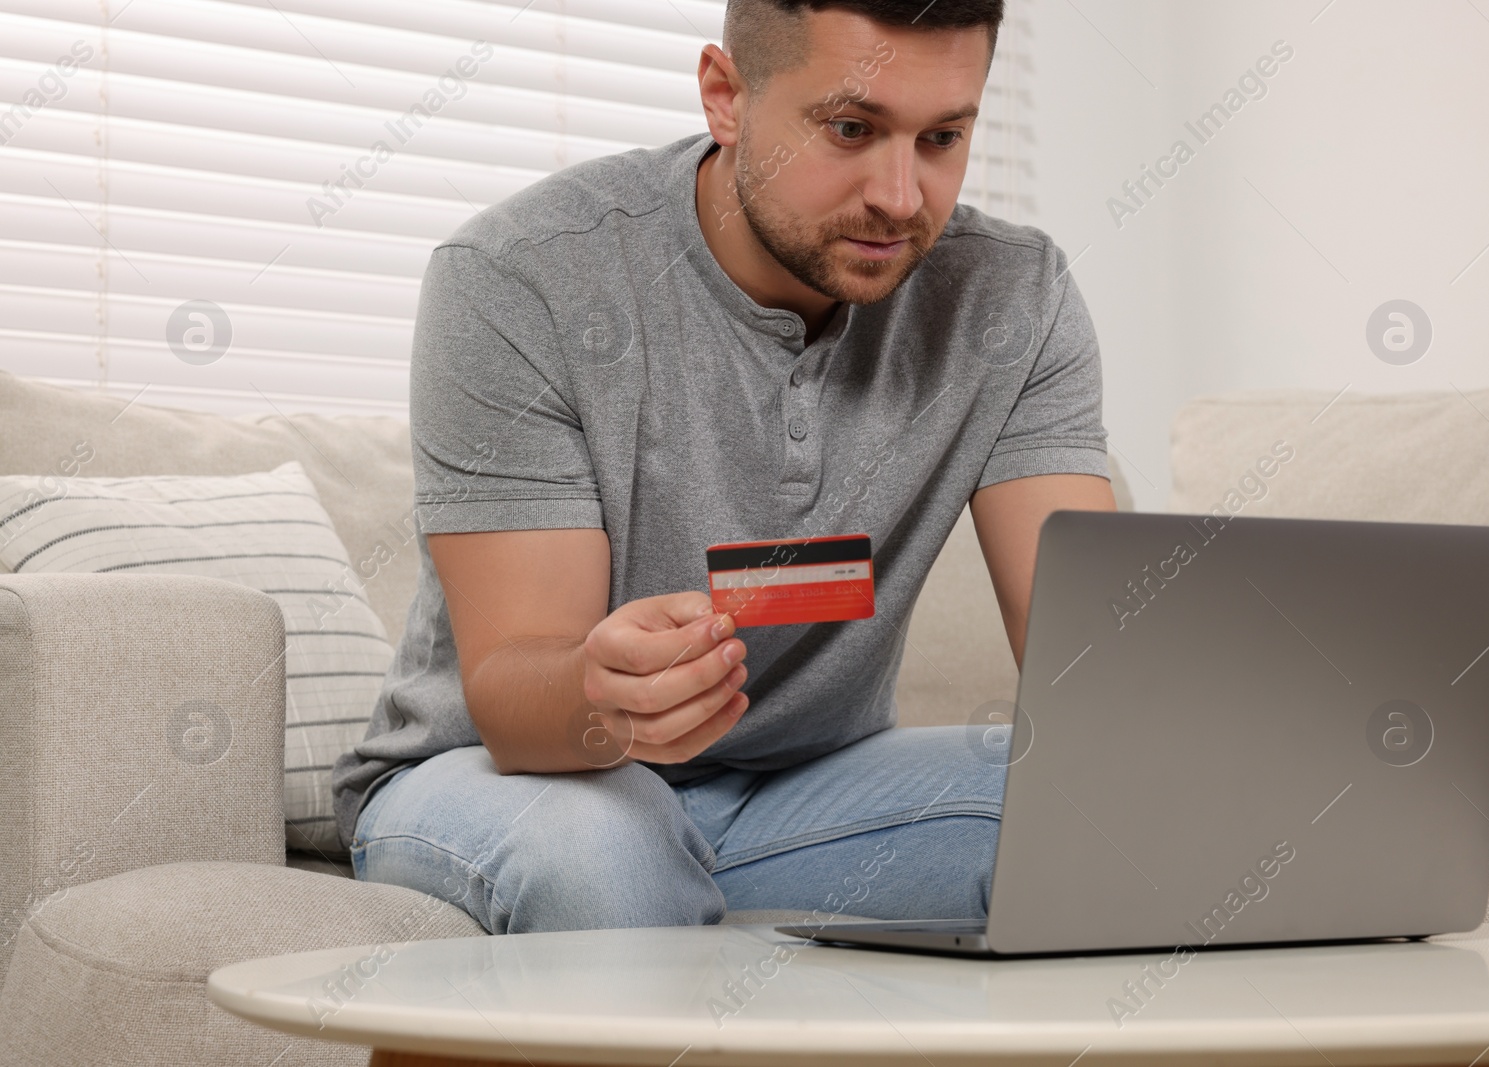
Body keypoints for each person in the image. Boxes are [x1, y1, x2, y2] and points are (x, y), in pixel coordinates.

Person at [330, 0, 1115, 935]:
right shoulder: (520, 275)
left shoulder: (1012, 299)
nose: (902, 195)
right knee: (606, 855)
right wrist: (600, 686)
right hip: (515, 779)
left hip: (807, 795)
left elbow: (1095, 663)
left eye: (942, 137)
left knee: (1109, 821)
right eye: (852, 129)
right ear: (726, 97)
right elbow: (511, 699)